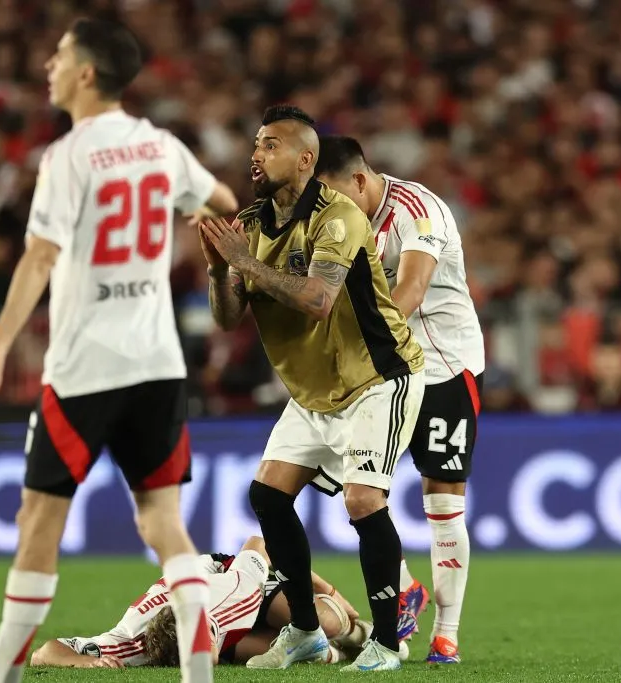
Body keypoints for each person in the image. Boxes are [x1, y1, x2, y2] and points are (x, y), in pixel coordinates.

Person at [0, 17, 238, 683]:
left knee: (39, 519)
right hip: (157, 361)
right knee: (164, 524)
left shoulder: (70, 155)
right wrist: (193, 224)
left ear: (87, 73)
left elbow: (38, 256)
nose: (48, 65)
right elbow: (226, 201)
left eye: (59, 55)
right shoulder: (162, 148)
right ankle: (197, 674)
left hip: (86, 363)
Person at [200, 105, 425, 673]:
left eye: (270, 145)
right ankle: (303, 629)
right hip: (314, 392)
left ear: (305, 159)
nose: (256, 154)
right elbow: (228, 318)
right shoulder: (249, 223)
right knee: (268, 497)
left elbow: (319, 301)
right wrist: (217, 271)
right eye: (254, 144)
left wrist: (246, 264)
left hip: (377, 377)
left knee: (362, 500)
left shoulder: (338, 215)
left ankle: (387, 642)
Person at [316, 135, 485, 664]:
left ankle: (447, 633)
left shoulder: (420, 210)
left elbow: (409, 292)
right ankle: (406, 586)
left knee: (443, 500)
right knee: (347, 485)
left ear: (359, 180)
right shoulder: (336, 220)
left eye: (332, 195)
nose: (327, 209)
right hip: (381, 371)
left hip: (442, 367)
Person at [27, 537, 383, 670]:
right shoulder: (129, 642)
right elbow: (45, 652)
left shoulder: (235, 592)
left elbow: (260, 543)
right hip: (220, 620)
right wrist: (84, 664)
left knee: (326, 621)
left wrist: (331, 591)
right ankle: (336, 653)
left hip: (226, 575)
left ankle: (361, 632)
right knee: (281, 652)